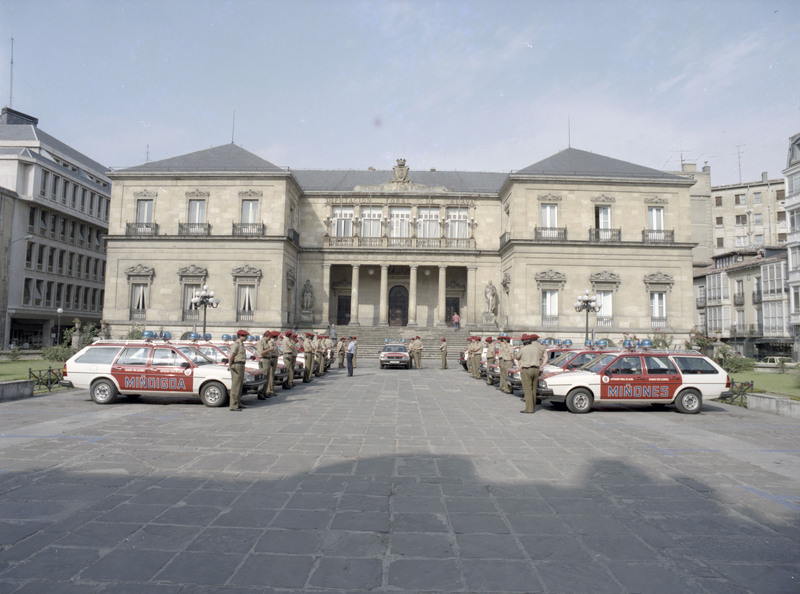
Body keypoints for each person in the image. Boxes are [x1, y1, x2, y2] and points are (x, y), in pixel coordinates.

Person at [518, 333, 547, 414]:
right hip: (536, 369)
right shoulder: (536, 349)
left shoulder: (523, 349)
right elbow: (542, 357)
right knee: (534, 389)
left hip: (527, 369)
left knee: (528, 389)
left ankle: (529, 409)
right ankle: (533, 406)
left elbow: (517, 357)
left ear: (523, 342)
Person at [228, 329, 249, 411]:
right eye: (244, 336)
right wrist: (230, 365)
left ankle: (238, 402)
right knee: (235, 386)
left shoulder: (241, 344)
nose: (246, 337)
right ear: (240, 336)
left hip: (241, 365)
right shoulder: (236, 344)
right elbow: (232, 356)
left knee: (239, 385)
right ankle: (233, 405)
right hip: (237, 365)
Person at [256, 331, 278, 399]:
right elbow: (261, 352)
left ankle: (265, 392)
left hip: (268, 360)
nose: (270, 339)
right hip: (264, 360)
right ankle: (260, 393)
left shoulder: (266, 342)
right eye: (269, 337)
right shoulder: (260, 342)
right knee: (264, 377)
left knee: (267, 378)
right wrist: (269, 349)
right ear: (266, 336)